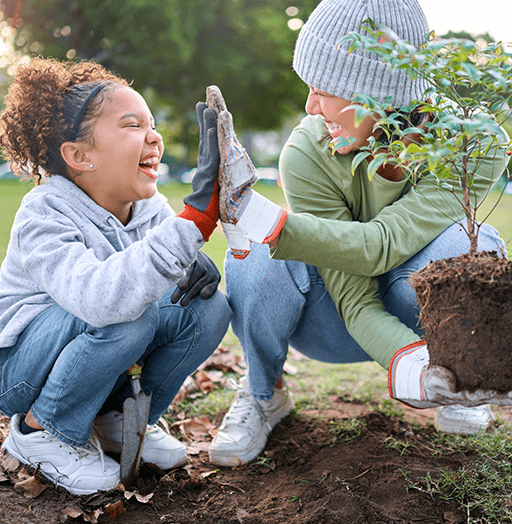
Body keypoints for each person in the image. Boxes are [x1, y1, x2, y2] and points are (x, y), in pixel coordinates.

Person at [206, 0, 512, 468]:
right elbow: (354, 297)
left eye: (324, 89)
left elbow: (383, 244)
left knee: (470, 246)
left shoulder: (473, 141)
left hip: (420, 311)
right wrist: (406, 363)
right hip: (330, 321)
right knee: (257, 258)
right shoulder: (306, 153)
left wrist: (266, 218)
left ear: (378, 94)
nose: (310, 106)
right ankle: (264, 394)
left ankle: (460, 379)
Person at [0, 58, 231, 494]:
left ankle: (118, 419)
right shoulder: (43, 213)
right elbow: (101, 299)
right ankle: (41, 431)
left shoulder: (148, 207)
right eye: (132, 125)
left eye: (152, 124)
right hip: (19, 370)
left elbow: (157, 266)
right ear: (79, 156)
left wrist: (185, 262)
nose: (154, 137)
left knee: (206, 307)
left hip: (93, 345)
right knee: (126, 314)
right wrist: (193, 225)